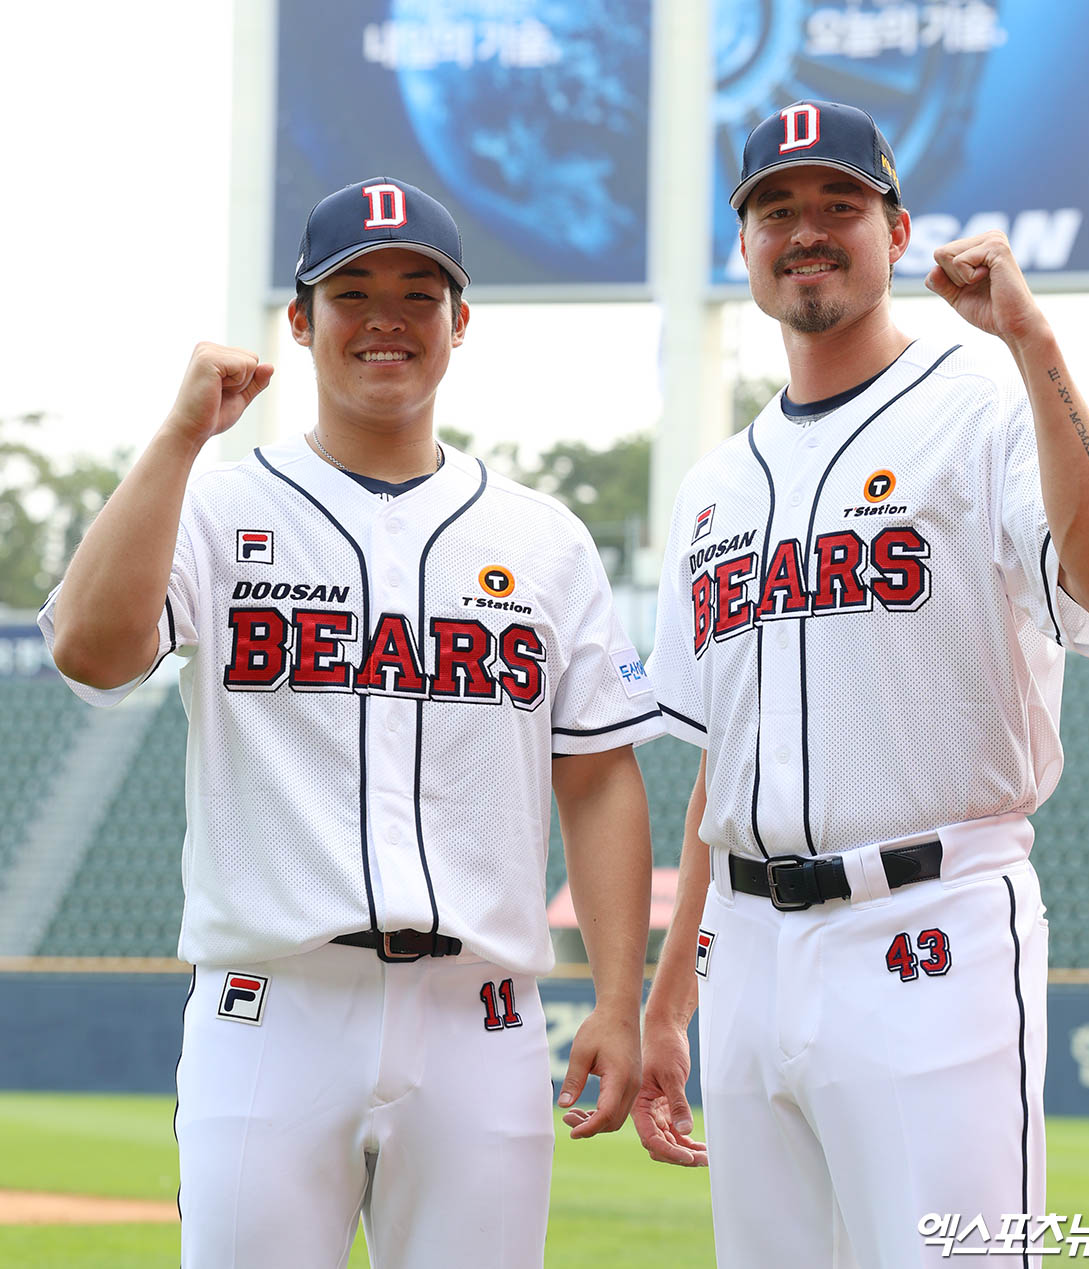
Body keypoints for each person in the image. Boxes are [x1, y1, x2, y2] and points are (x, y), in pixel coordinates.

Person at [39, 176, 663, 1268]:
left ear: (460, 323)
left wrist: (619, 999)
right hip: (270, 1013)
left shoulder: (546, 539)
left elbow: (599, 776)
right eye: (352, 291)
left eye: (420, 293)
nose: (387, 317)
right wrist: (182, 436)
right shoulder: (220, 508)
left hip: (483, 1018)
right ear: (299, 321)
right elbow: (89, 650)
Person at [631, 100, 1089, 1266]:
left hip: (932, 928)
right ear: (746, 247)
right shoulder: (715, 485)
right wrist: (670, 1004)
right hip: (751, 955)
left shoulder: (984, 411)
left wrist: (1033, 342)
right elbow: (727, 761)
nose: (807, 231)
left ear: (897, 231)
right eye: (778, 210)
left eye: (840, 206)